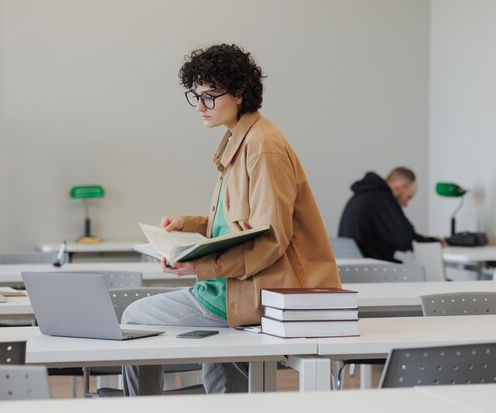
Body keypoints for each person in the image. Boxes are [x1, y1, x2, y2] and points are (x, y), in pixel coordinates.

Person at [121, 44, 340, 395]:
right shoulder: (241, 139)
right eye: (195, 96)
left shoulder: (262, 147)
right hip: (228, 289)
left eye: (210, 96)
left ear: (239, 94)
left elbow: (271, 239)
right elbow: (235, 225)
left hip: (243, 294)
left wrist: (200, 268)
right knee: (225, 392)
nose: (201, 107)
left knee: (133, 317)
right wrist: (188, 224)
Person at [337, 167, 441, 262]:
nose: (406, 204)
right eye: (409, 197)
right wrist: (434, 241)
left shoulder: (362, 195)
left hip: (354, 270)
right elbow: (405, 239)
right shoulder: (382, 199)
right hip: (371, 271)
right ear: (401, 187)